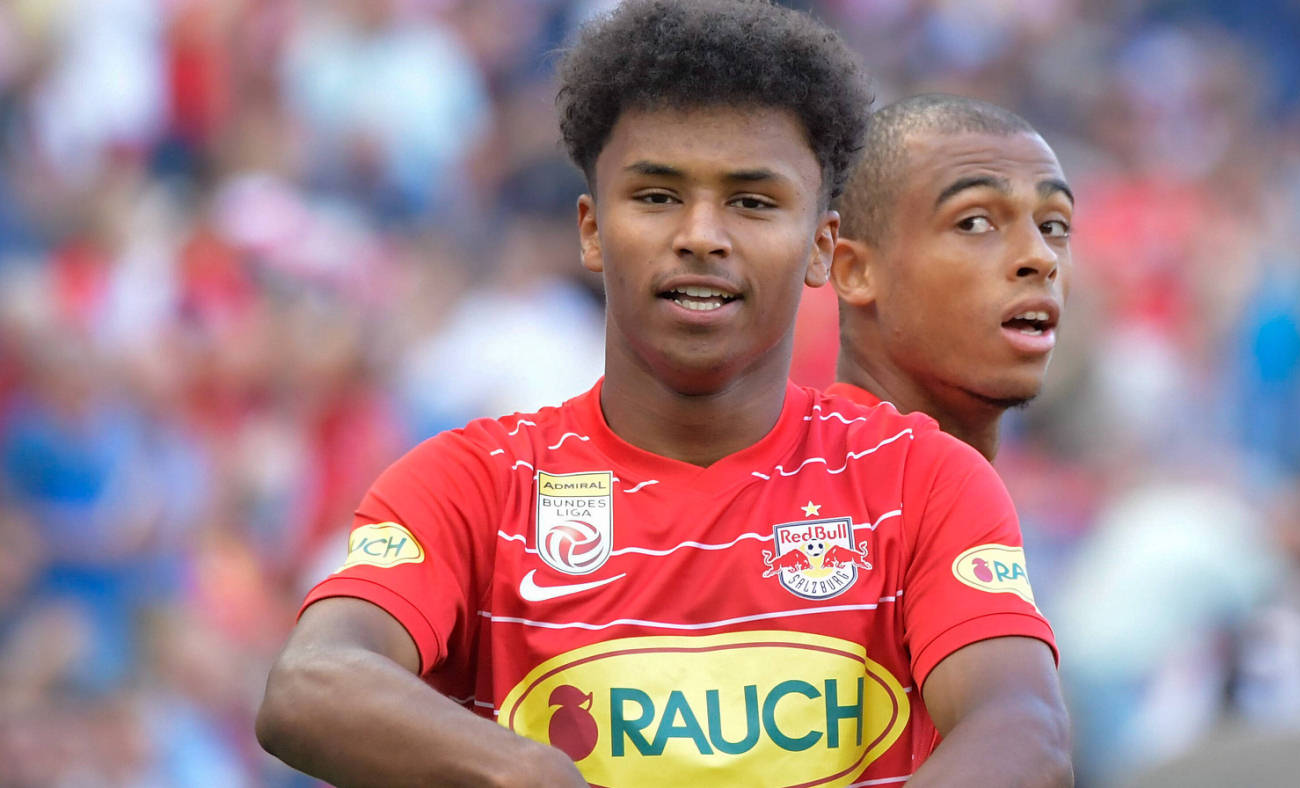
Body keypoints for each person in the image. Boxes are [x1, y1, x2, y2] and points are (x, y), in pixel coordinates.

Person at [256, 3, 1070, 786]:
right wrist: (525, 771)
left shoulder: (922, 480)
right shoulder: (474, 484)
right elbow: (311, 681)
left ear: (822, 247)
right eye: (656, 197)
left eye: (752, 202)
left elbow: (1024, 731)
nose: (701, 236)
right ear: (590, 229)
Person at [828, 94, 1074, 461]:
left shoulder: (954, 483)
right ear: (855, 271)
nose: (1041, 257)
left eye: (1053, 226)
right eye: (974, 222)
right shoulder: (798, 489)